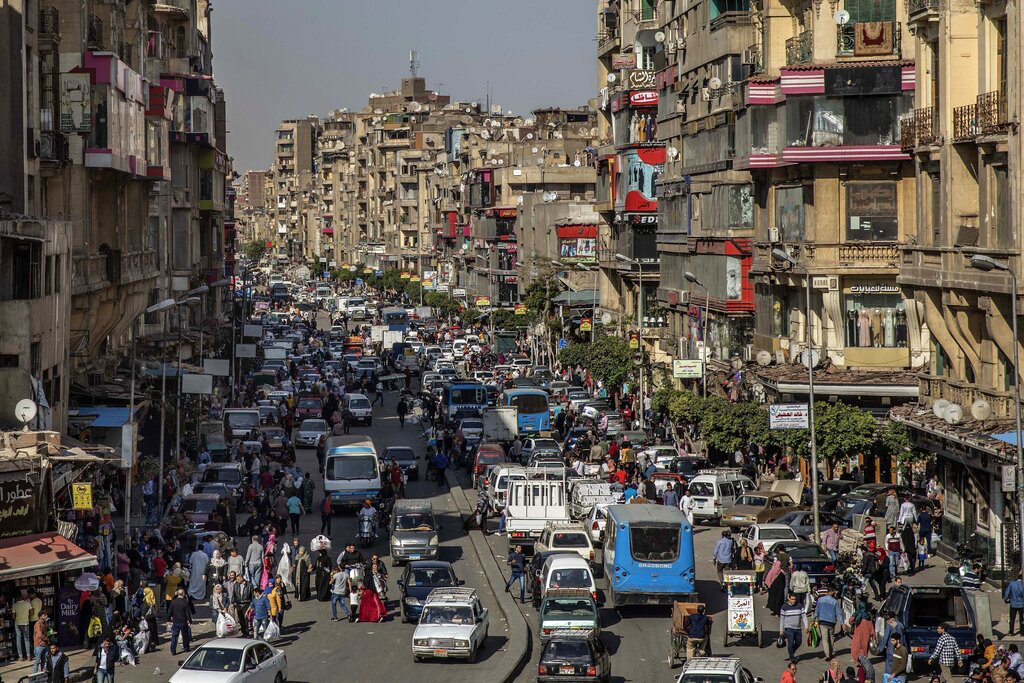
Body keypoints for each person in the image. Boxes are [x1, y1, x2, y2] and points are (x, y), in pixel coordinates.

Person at [779, 593, 808, 663]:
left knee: (799, 642)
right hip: (788, 628)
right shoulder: (784, 607)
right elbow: (782, 619)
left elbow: (804, 616)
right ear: (788, 599)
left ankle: (791, 652)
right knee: (791, 642)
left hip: (798, 628)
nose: (794, 601)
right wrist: (781, 630)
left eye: (795, 599)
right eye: (792, 599)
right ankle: (792, 658)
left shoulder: (800, 606)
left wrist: (806, 626)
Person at [814, 586, 841, 659]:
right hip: (831, 622)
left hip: (822, 621)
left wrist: (814, 618)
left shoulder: (820, 600)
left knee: (825, 639)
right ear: (832, 592)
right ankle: (831, 652)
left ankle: (827, 655)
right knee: (831, 637)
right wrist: (842, 623)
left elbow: (817, 610)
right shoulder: (835, 601)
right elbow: (838, 613)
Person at [167, 587, 192, 656]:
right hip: (183, 622)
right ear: (183, 594)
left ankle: (173, 650)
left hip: (175, 621)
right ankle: (186, 648)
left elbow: (169, 612)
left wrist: (168, 619)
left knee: (174, 636)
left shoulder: (173, 602)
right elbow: (188, 613)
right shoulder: (185, 602)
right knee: (185, 636)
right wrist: (190, 621)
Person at [13, 590, 32, 661]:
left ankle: (20, 657)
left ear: (16, 598)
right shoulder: (27, 603)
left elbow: (13, 616)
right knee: (26, 639)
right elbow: (32, 612)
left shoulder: (14, 605)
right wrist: (28, 617)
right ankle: (29, 657)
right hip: (26, 622)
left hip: (17, 623)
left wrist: (17, 617)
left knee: (18, 639)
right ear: (21, 596)